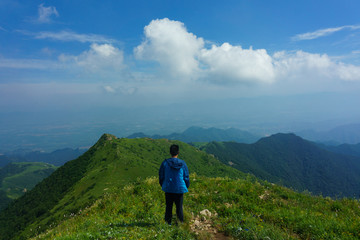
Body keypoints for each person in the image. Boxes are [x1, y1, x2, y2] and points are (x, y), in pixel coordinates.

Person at [159, 144, 190, 224]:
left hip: (168, 188)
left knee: (168, 206)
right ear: (178, 152)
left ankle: (167, 223)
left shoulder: (165, 163)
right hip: (179, 189)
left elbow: (161, 176)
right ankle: (180, 223)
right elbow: (186, 177)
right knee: (179, 207)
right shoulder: (182, 163)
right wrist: (186, 186)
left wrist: (163, 185)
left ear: (170, 152)